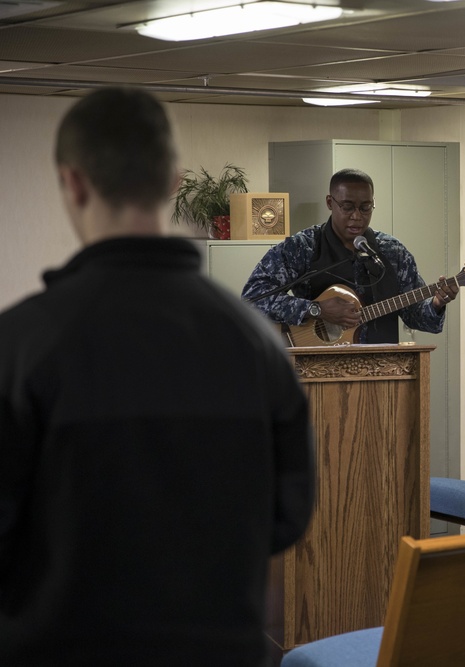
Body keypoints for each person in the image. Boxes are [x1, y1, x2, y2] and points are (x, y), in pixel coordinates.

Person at [0, 87, 315, 665]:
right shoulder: (256, 345)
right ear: (174, 179)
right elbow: (289, 515)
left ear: (72, 182)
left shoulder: (19, 347)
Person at [242, 168, 458, 344]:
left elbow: (417, 317)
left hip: (382, 372)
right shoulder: (303, 247)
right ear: (330, 203)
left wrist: (437, 303)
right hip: (318, 370)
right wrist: (316, 309)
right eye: (347, 207)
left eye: (366, 208)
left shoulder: (393, 253)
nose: (357, 216)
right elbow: (253, 298)